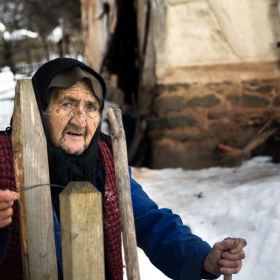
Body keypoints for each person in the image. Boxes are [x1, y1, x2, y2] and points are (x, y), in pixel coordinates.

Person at [0, 58, 247, 280]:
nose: (79, 120)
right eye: (67, 104)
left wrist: (204, 258)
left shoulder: (104, 161)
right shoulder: (5, 161)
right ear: (39, 110)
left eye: (90, 107)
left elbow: (148, 220)